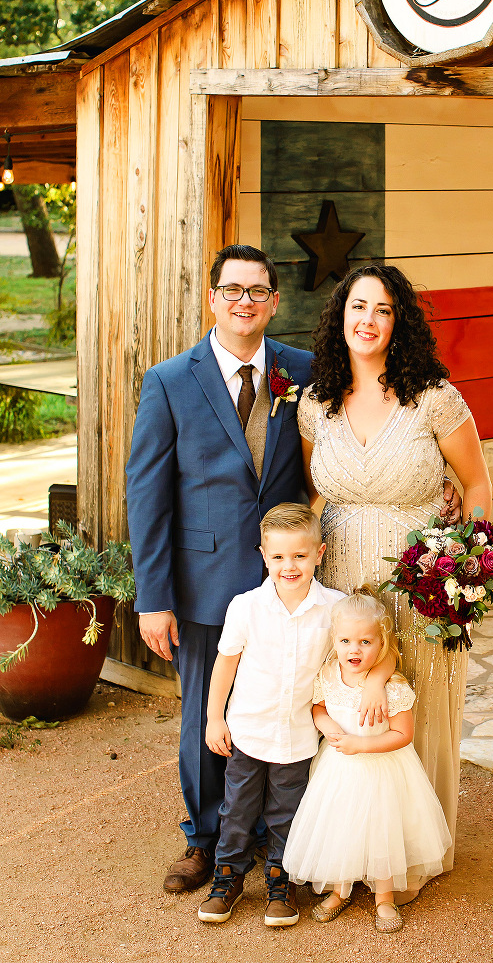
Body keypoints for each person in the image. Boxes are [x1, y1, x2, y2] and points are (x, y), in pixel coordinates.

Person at [126, 244, 315, 894]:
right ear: (212, 299)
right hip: (201, 582)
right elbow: (148, 494)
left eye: (257, 291)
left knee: (285, 703)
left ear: (274, 302)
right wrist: (154, 597)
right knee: (208, 715)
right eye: (232, 290)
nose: (244, 302)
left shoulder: (300, 371)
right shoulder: (170, 381)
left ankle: (273, 835)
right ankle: (205, 840)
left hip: (285, 579)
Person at [298, 264, 492, 893]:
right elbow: (314, 493)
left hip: (421, 583)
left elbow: (476, 483)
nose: (368, 320)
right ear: (340, 316)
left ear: (398, 323)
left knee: (417, 709)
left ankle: (411, 855)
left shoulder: (433, 397)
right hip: (344, 585)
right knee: (352, 705)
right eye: (358, 306)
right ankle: (347, 855)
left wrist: (466, 565)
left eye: (383, 310)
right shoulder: (316, 403)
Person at [198, 505, 394, 927]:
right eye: (279, 556)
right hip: (249, 731)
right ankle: (227, 877)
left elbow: (380, 645)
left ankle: (280, 882)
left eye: (300, 556)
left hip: (300, 736)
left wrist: (377, 681)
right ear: (264, 556)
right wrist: (215, 718)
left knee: (287, 813)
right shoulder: (246, 607)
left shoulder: (335, 608)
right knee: (238, 810)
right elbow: (225, 665)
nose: (290, 566)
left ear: (319, 554)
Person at [283, 588, 451, 933]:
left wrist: (361, 744)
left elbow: (402, 734)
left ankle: (384, 897)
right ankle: (340, 889)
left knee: (381, 830)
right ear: (334, 640)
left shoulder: (392, 685)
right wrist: (326, 725)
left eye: (365, 642)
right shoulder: (329, 675)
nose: (354, 650)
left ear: (381, 643)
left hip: (381, 770)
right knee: (340, 826)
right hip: (339, 770)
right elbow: (318, 707)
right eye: (345, 641)